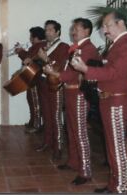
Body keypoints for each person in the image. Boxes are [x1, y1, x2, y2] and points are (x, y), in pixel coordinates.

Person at [70, 11, 127, 193]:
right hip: (108, 99)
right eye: (104, 26)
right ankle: (113, 184)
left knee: (116, 147)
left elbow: (115, 73)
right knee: (111, 145)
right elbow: (107, 68)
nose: (105, 30)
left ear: (121, 23)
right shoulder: (117, 45)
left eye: (108, 25)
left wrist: (86, 69)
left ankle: (120, 188)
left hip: (116, 101)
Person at [44, 18, 100, 185]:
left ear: (87, 31)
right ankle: (74, 162)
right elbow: (70, 70)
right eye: (72, 28)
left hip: (79, 93)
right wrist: (56, 72)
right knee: (71, 129)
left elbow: (75, 73)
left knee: (80, 133)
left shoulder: (88, 49)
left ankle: (85, 171)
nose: (72, 31)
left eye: (76, 28)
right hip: (70, 92)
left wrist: (56, 74)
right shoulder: (77, 48)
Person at [35, 20, 69, 160]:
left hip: (55, 85)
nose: (47, 32)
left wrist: (46, 58)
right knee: (46, 115)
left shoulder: (63, 46)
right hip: (42, 82)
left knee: (55, 116)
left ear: (57, 32)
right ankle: (47, 142)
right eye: (46, 29)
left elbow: (59, 68)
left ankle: (58, 147)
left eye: (50, 30)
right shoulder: (43, 45)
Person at [15, 26, 45, 133]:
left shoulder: (38, 46)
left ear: (35, 37)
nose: (30, 38)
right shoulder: (39, 46)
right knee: (32, 100)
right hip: (34, 77)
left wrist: (20, 51)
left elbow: (28, 59)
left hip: (34, 78)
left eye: (31, 36)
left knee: (35, 101)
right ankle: (33, 122)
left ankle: (36, 126)